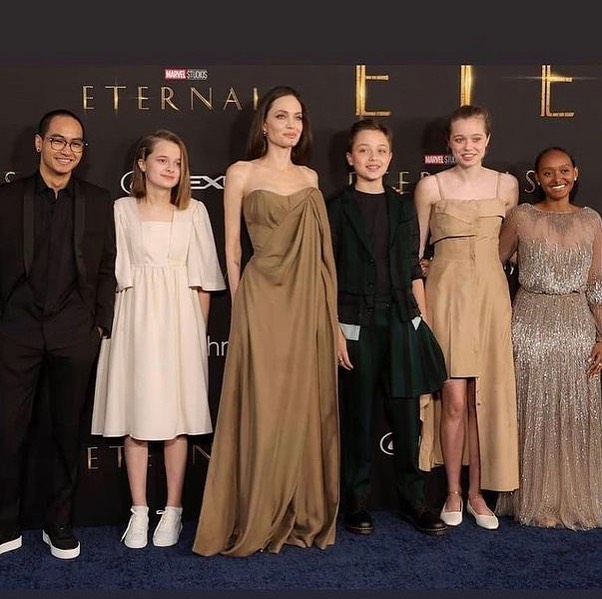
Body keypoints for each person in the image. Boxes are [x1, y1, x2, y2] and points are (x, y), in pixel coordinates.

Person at [192, 85, 339, 557]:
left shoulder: (311, 177)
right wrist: (240, 308)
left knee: (302, 403)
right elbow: (233, 250)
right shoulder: (241, 172)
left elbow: (321, 256)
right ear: (265, 124)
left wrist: (330, 316)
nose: (291, 125)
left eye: (298, 117)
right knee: (263, 403)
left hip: (307, 301)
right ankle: (255, 510)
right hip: (260, 299)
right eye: (281, 116)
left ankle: (298, 506)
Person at [91, 129, 225, 548]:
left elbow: (204, 281)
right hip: (133, 320)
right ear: (142, 163)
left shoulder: (194, 211)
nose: (171, 168)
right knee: (135, 415)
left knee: (175, 420)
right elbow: (109, 274)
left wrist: (197, 336)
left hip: (180, 324)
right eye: (163, 160)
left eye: (178, 162)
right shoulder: (121, 209)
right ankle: (139, 511)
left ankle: (173, 509)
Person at [0, 108, 116, 559]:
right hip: (17, 330)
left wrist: (99, 325)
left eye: (75, 143)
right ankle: (6, 522)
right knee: (7, 430)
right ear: (39, 143)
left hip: (74, 331)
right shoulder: (8, 198)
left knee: (67, 433)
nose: (67, 150)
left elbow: (106, 265)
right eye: (58, 140)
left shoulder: (98, 200)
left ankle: (59, 522)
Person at [326, 118, 448, 537]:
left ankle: (415, 500)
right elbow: (326, 274)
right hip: (354, 322)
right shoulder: (335, 208)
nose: (372, 158)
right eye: (364, 150)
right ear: (350, 157)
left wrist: (421, 324)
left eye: (380, 150)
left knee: (407, 417)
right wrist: (333, 329)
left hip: (400, 321)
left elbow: (413, 269)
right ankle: (357, 502)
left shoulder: (401, 207)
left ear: (391, 158)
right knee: (358, 416)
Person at [415, 104, 519, 530]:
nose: (468, 146)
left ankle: (478, 494)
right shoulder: (431, 186)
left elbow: (509, 249)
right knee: (455, 399)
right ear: (449, 143)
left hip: (491, 298)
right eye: (460, 139)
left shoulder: (507, 186)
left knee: (483, 400)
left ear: (488, 140)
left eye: (476, 138)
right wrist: (422, 308)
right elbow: (415, 255)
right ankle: (452, 492)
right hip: (447, 297)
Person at [496, 146, 602, 529]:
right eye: (547, 173)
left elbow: (596, 285)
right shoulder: (521, 217)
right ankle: (535, 499)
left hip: (577, 328)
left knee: (575, 417)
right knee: (533, 415)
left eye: (564, 170)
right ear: (536, 178)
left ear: (576, 172)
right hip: (529, 326)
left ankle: (575, 497)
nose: (557, 179)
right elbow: (492, 267)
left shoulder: (592, 220)